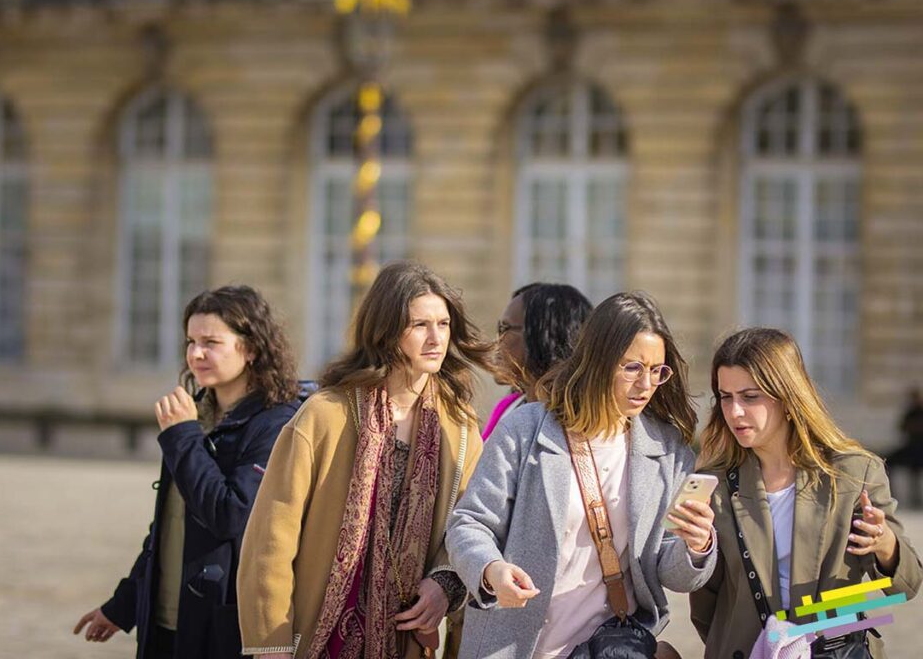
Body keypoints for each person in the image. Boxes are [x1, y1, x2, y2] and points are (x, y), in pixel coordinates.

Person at [237, 260, 494, 659]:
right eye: (419, 325)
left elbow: (470, 526)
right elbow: (270, 539)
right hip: (317, 638)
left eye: (443, 325)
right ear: (386, 331)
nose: (435, 338)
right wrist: (272, 644)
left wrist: (446, 584)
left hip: (405, 640)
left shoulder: (459, 426)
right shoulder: (325, 414)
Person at [447, 291, 716, 659]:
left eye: (657, 371)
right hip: (511, 644)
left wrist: (696, 546)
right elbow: (468, 523)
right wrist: (491, 570)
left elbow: (671, 573)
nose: (646, 385)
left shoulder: (667, 450)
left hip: (604, 648)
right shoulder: (526, 429)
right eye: (633, 367)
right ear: (599, 360)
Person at [73, 286, 302, 659]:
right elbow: (167, 526)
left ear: (252, 348)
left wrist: (182, 437)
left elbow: (231, 515)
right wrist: (123, 605)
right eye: (191, 341)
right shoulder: (195, 414)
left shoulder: (276, 423)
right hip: (164, 619)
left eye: (211, 342)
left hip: (224, 624)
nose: (196, 354)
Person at [690, 328, 922, 659]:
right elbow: (705, 605)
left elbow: (908, 584)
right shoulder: (714, 485)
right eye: (725, 396)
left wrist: (885, 544)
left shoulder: (855, 473)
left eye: (750, 397)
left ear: (788, 398)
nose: (735, 411)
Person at [482, 282, 592, 440]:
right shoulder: (509, 407)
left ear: (545, 336)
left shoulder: (579, 424)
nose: (497, 342)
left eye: (505, 329)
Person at [885, 386, 923, 509]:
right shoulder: (910, 412)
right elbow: (902, 428)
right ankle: (891, 497)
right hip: (911, 448)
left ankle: (917, 500)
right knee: (887, 462)